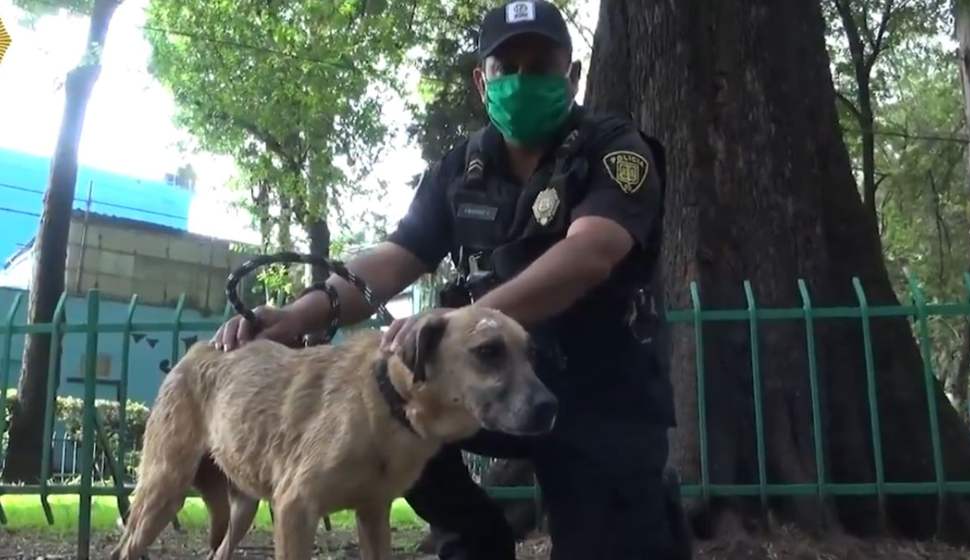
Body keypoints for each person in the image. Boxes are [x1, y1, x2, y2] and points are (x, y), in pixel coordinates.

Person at [212, 1, 688, 558]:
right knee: (392, 391)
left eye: (540, 65)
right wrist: (297, 315)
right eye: (506, 68)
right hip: (481, 380)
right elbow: (392, 259)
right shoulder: (461, 168)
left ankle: (643, 513)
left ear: (573, 75)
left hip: (599, 394)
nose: (521, 80)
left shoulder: (614, 148)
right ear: (481, 80)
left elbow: (591, 252)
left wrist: (470, 321)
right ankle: (474, 537)